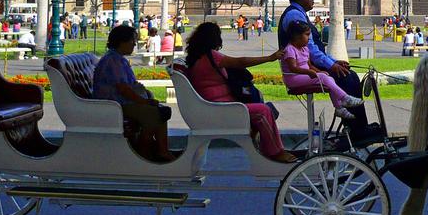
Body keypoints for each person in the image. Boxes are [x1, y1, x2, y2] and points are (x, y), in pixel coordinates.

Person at [278, 0, 375, 142]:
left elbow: (314, 46)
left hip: (308, 65)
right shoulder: (295, 16)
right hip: (303, 70)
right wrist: (331, 66)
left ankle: (358, 126)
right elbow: (311, 49)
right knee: (347, 77)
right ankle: (358, 130)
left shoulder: (298, 13)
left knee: (348, 73)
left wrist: (333, 62)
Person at [185, 22, 294, 162]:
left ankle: (268, 146)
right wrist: (269, 58)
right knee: (264, 110)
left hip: (214, 106)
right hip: (220, 108)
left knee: (264, 108)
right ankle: (275, 151)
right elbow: (241, 62)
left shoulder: (198, 57)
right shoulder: (211, 56)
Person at [93, 25, 175, 162]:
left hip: (120, 103)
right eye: (132, 40)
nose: (134, 44)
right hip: (115, 105)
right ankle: (143, 152)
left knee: (161, 111)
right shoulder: (113, 61)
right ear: (122, 41)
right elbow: (123, 89)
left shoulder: (118, 59)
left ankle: (161, 150)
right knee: (154, 114)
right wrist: (144, 101)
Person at [281, 21, 363, 121]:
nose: (309, 38)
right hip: (292, 78)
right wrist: (310, 73)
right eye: (307, 35)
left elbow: (309, 65)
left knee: (328, 77)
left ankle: (338, 107)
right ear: (296, 36)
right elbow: (293, 68)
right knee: (324, 78)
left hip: (304, 75)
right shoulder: (290, 50)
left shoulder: (305, 49)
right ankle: (345, 98)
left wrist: (318, 71)